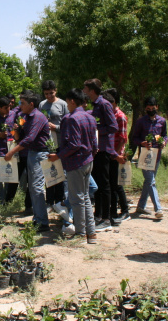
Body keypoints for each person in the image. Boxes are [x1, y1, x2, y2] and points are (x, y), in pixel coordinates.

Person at [48, 88, 99, 244]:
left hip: (75, 163)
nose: (67, 106)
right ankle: (91, 233)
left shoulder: (71, 118)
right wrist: (91, 155)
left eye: (67, 102)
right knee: (85, 198)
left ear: (71, 101)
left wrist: (58, 155)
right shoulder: (89, 117)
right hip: (87, 161)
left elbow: (74, 144)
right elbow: (94, 142)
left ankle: (81, 233)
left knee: (77, 199)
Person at [4, 91, 51, 233]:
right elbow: (22, 138)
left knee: (36, 188)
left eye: (22, 103)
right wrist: (15, 131)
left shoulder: (37, 117)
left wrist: (12, 151)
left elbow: (30, 139)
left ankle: (43, 222)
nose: (20, 105)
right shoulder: (26, 117)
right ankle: (37, 218)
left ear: (31, 104)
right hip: (32, 153)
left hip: (40, 154)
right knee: (32, 188)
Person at [83, 78, 118, 232]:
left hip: (104, 150)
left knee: (104, 185)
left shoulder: (104, 104)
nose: (84, 92)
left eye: (85, 89)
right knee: (97, 184)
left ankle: (106, 218)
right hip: (96, 150)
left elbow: (113, 126)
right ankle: (98, 215)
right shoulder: (96, 105)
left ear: (91, 90)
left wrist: (97, 132)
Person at [130, 96, 168, 219]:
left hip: (156, 155)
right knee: (151, 181)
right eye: (148, 108)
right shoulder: (141, 122)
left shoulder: (162, 121)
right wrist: (142, 143)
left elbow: (165, 135)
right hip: (145, 155)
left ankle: (141, 206)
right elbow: (135, 138)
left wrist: (164, 142)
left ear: (157, 107)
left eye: (153, 108)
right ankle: (158, 209)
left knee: (148, 181)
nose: (151, 110)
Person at [39, 80, 68, 207]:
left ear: (55, 90)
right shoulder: (42, 105)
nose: (49, 96)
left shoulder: (63, 104)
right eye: (46, 94)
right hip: (48, 143)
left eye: (51, 93)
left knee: (60, 173)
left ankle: (59, 200)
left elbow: (68, 124)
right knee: (49, 172)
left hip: (61, 142)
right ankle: (49, 201)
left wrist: (55, 127)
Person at [103, 89, 129, 225]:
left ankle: (124, 210)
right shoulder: (109, 115)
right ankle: (114, 210)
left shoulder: (120, 116)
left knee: (116, 184)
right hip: (109, 153)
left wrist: (116, 154)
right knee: (112, 184)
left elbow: (123, 139)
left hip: (116, 155)